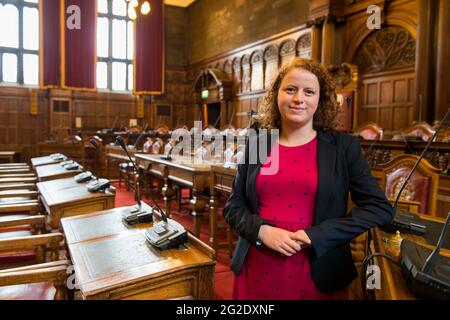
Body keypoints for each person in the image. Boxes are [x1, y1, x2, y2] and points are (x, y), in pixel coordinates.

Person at [223, 58, 393, 300]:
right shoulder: (259, 143)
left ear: (320, 100)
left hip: (318, 268)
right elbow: (233, 207)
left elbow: (379, 208)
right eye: (290, 89)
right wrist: (261, 231)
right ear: (276, 94)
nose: (298, 98)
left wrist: (317, 235)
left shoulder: (343, 147)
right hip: (257, 263)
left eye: (309, 91)